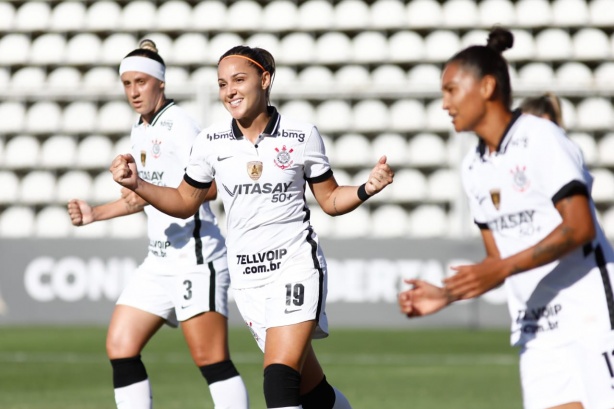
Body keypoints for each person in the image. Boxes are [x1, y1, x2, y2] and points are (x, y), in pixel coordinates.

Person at [109, 45, 394, 409]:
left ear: (265, 79)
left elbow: (331, 199)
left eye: (239, 80)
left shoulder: (301, 136)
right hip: (248, 280)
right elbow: (184, 203)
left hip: (294, 268)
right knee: (312, 391)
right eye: (222, 83)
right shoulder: (210, 142)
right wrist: (138, 184)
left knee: (278, 380)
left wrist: (368, 187)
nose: (229, 91)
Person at [398, 27, 614, 409]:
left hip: (591, 320)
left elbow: (579, 226)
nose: (445, 103)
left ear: (486, 87)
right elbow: (497, 264)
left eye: (451, 90)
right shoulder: (473, 168)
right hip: (537, 330)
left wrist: (500, 269)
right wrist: (447, 294)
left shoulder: (542, 138)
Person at [67, 39, 249, 409]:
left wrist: (155, 189)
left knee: (211, 360)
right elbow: (143, 194)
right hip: (159, 260)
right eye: (127, 83)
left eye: (141, 82)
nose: (134, 92)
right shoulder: (141, 127)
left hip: (195, 258)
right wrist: (95, 213)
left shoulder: (179, 124)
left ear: (160, 83)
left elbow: (211, 186)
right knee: (120, 345)